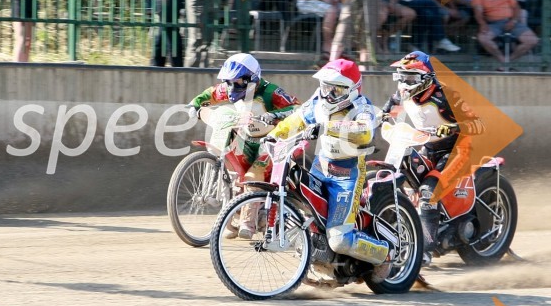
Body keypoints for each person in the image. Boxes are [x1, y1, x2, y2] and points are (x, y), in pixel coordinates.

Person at [271, 58, 392, 281]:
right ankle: (319, 257)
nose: (327, 94)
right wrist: (273, 136)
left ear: (352, 90)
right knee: (304, 213)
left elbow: (365, 132)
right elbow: (294, 120)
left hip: (348, 176)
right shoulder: (317, 102)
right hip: (320, 167)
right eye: (325, 87)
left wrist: (328, 126)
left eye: (335, 89)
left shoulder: (362, 107)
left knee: (340, 239)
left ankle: (384, 254)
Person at [381, 51, 484, 262]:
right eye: (401, 77)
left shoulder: (446, 96)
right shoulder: (401, 96)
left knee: (428, 192)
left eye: (409, 78)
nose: (404, 83)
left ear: (425, 78)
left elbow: (478, 124)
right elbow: (383, 115)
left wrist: (454, 127)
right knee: (395, 177)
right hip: (426, 147)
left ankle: (425, 250)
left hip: (455, 149)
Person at [188, 53, 300, 239]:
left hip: (273, 142)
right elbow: (211, 93)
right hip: (247, 139)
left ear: (252, 79)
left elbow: (297, 108)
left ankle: (247, 223)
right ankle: (231, 218)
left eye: (238, 82)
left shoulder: (271, 92)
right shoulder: (229, 88)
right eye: (229, 82)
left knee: (251, 176)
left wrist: (275, 115)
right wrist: (195, 104)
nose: (232, 87)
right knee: (233, 170)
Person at [472, 0, 539, 70]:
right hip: (493, 24)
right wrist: (482, 23)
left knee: (532, 40)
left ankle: (507, 62)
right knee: (483, 38)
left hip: (511, 21)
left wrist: (514, 20)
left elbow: (516, 7)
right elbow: (478, 12)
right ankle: (503, 61)